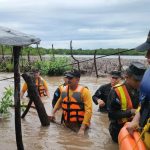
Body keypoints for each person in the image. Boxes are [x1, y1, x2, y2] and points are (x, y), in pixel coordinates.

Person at [107, 62, 146, 143]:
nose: (139, 83)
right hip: (118, 129)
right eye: (136, 80)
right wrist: (131, 112)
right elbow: (111, 114)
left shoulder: (143, 89)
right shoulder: (116, 91)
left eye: (141, 80)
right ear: (127, 77)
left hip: (136, 127)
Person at [50, 69, 92, 136]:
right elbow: (59, 102)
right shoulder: (64, 89)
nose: (68, 80)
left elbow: (88, 110)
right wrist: (52, 113)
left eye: (71, 78)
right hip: (66, 122)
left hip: (80, 124)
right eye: (68, 77)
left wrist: (82, 129)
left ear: (77, 79)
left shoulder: (84, 91)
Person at [126, 32, 150, 149]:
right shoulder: (148, 74)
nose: (147, 56)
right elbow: (145, 103)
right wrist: (136, 119)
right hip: (144, 131)